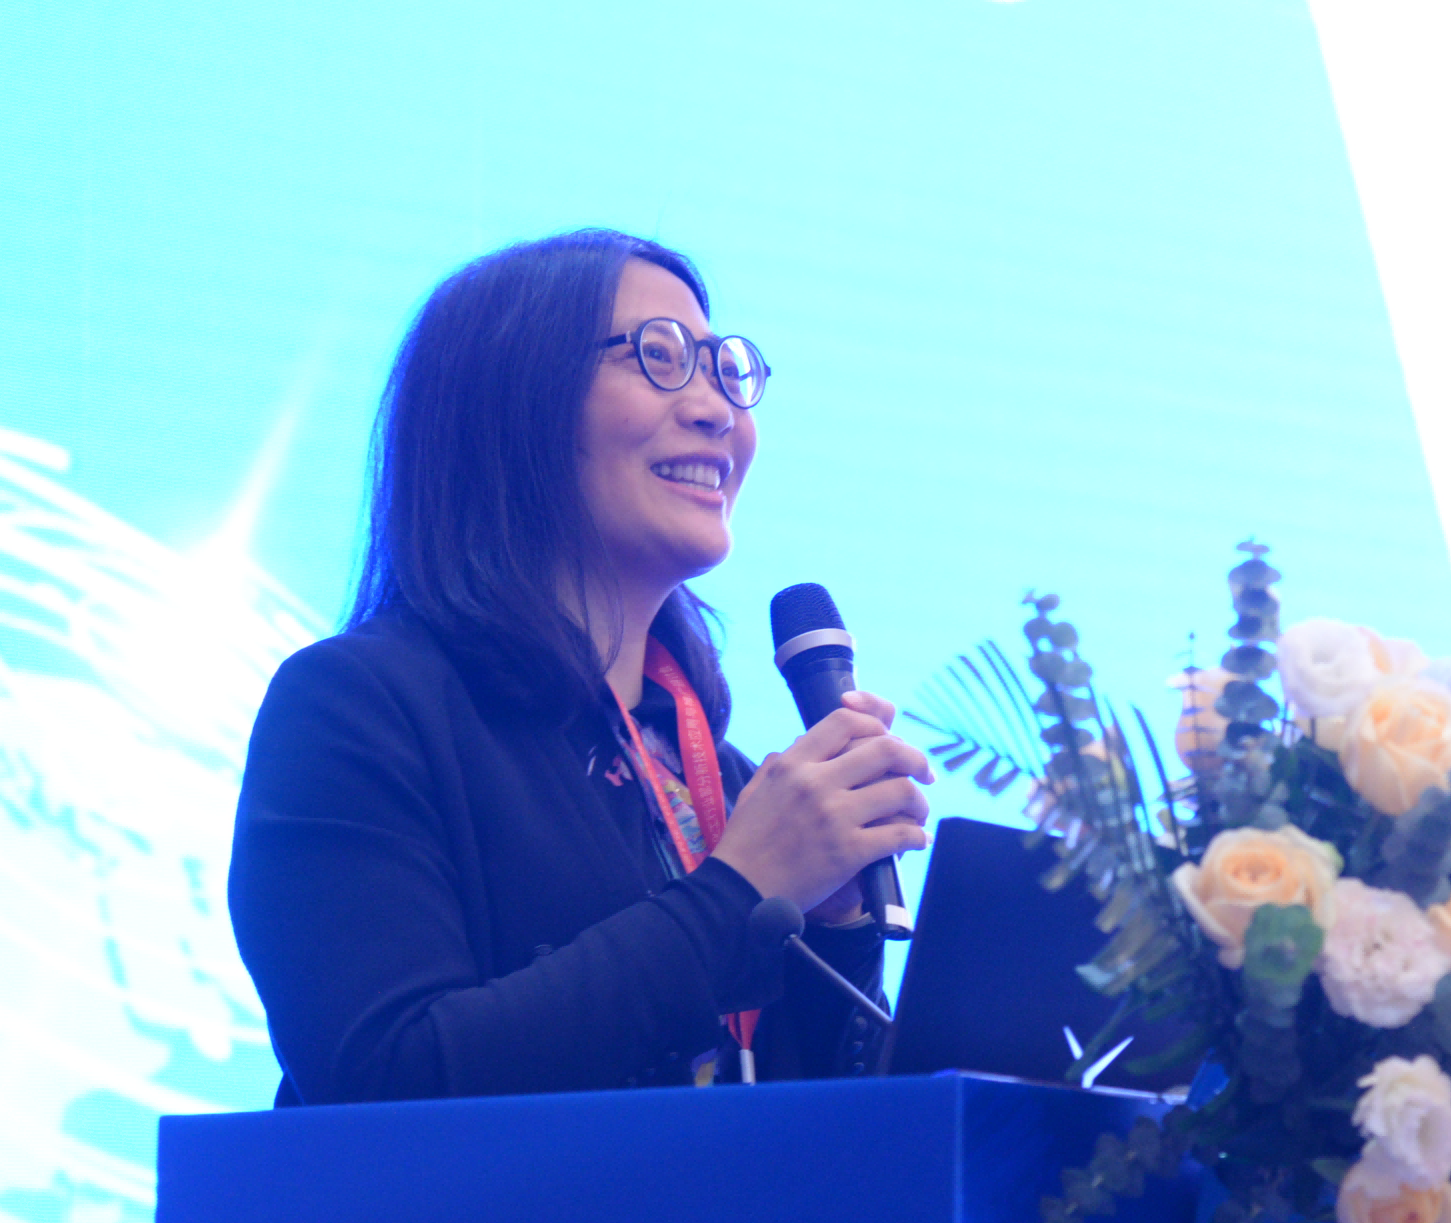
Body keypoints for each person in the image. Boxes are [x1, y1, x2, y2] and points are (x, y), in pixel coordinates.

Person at [229, 229, 931, 1104]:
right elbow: (386, 1077)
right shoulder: (356, 709)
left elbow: (804, 1119)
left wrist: (834, 921)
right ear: (511, 407)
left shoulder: (710, 777)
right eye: (659, 357)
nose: (717, 409)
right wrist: (738, 893)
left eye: (723, 368)